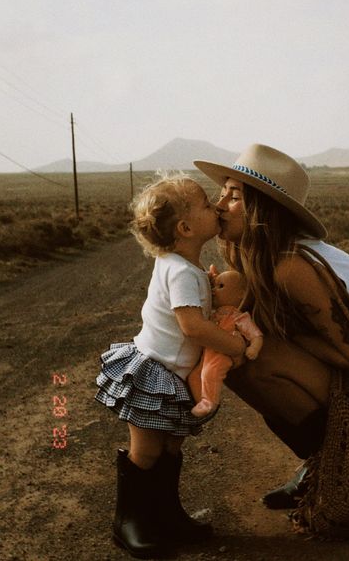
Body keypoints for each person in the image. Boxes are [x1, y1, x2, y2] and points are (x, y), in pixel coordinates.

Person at [194, 144, 349, 510]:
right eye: (221, 194)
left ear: (261, 210)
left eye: (234, 197)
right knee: (238, 347)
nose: (219, 205)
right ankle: (325, 464)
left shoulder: (291, 265)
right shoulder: (260, 255)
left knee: (250, 360)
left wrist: (279, 335)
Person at [95, 176, 247, 559]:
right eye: (203, 203)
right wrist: (235, 346)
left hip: (174, 376)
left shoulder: (183, 266)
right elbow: (192, 326)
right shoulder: (180, 272)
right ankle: (128, 521)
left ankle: (165, 514)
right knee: (146, 450)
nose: (215, 205)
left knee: (171, 445)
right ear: (185, 228)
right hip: (154, 374)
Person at [188, 270, 264, 417]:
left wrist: (254, 348)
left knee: (210, 372)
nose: (214, 291)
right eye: (213, 287)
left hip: (224, 353)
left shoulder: (238, 317)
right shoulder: (213, 313)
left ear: (241, 294)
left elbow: (256, 335)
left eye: (221, 286)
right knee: (194, 376)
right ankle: (201, 402)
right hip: (210, 351)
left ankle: (209, 402)